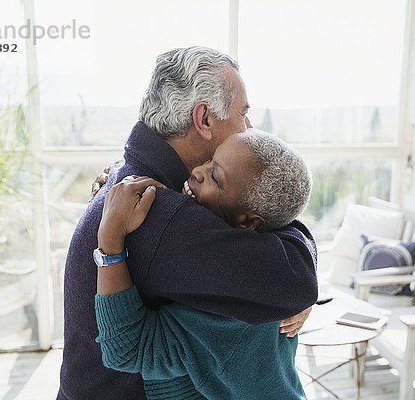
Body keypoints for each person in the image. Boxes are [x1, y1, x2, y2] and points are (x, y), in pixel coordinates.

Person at [58, 47, 318, 400]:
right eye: (244, 114)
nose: (249, 128)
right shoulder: (159, 213)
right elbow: (296, 280)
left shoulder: (135, 178)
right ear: (204, 120)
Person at [95, 129, 312, 399]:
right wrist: (120, 175)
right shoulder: (273, 261)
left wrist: (110, 239)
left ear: (247, 223)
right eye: (210, 159)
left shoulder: (229, 314)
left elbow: (125, 350)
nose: (198, 170)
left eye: (215, 178)